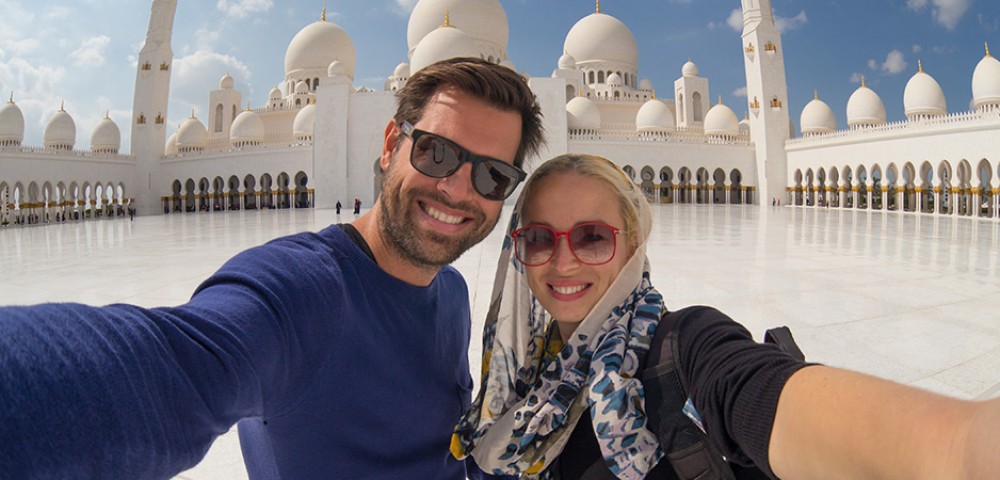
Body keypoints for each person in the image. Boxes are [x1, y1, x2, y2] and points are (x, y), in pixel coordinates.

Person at [0, 57, 544, 479]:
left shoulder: (449, 291)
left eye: (493, 176)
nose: (456, 188)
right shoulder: (301, 293)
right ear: (390, 145)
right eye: (437, 153)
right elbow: (166, 368)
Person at [452, 153, 1000, 480]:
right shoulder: (522, 380)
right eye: (541, 238)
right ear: (517, 252)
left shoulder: (686, 345)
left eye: (593, 237)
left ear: (634, 241)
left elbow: (762, 393)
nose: (564, 260)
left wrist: (962, 446)